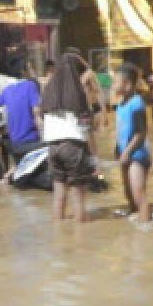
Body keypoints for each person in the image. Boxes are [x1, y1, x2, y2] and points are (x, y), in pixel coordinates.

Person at [40, 53, 95, 221]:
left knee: (59, 194)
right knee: (78, 195)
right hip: (73, 147)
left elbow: (42, 119)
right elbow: (86, 127)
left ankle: (59, 232)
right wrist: (94, 155)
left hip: (53, 147)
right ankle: (81, 238)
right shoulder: (78, 94)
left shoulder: (48, 91)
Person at [113, 63, 152, 223]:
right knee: (128, 193)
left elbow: (141, 133)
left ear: (127, 84)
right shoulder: (121, 105)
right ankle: (134, 220)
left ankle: (145, 228)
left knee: (138, 193)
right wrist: (118, 150)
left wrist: (127, 152)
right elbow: (121, 131)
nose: (113, 85)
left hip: (137, 156)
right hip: (126, 154)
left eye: (115, 82)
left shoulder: (136, 103)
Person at [0, 70, 43, 180]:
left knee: (19, 164)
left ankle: (7, 177)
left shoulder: (7, 89)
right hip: (30, 141)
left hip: (14, 142)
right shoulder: (31, 86)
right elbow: (37, 113)